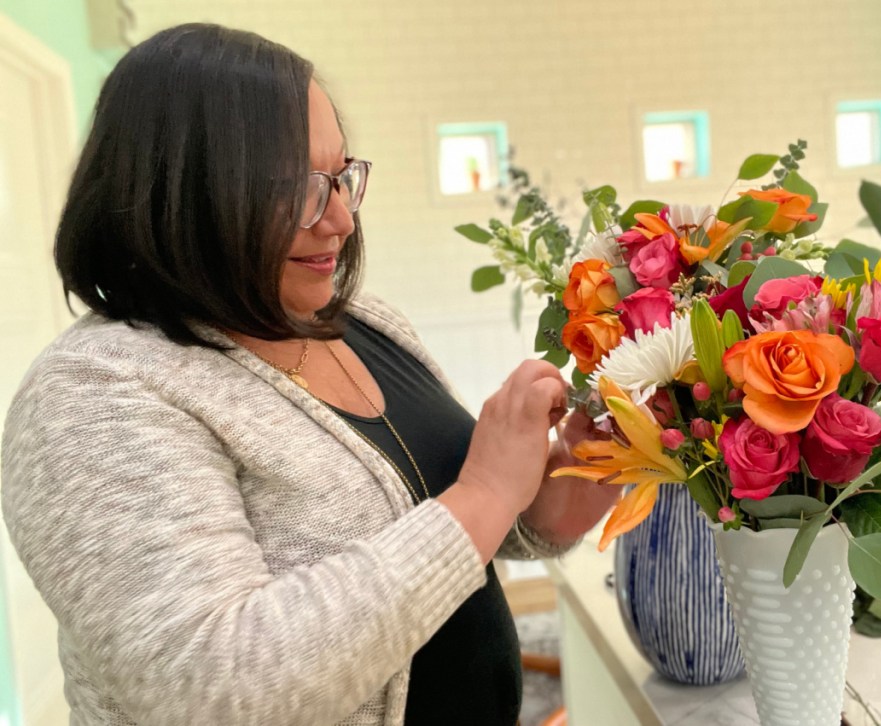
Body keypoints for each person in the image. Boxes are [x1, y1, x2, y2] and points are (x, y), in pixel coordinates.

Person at [0, 23, 618, 726]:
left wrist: (564, 485)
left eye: (341, 177)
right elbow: (211, 689)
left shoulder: (367, 323)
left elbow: (457, 538)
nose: (342, 220)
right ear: (178, 192)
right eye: (297, 187)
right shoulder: (91, 395)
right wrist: (484, 492)